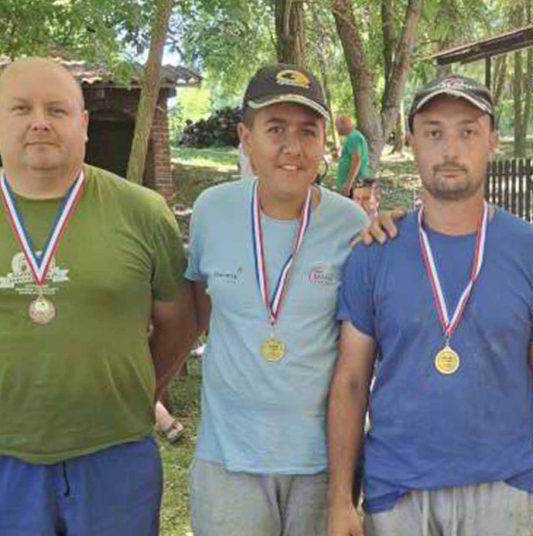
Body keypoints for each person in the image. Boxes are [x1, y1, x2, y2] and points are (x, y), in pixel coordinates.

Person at [0, 57, 195, 535]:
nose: (40, 121)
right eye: (21, 108)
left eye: (57, 109)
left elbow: (180, 322)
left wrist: (135, 391)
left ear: (83, 123)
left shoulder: (143, 212)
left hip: (115, 456)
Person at [327, 74, 533, 536]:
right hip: (397, 491)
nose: (450, 149)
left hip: (505, 486)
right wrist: (339, 500)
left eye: (467, 132)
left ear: (492, 141)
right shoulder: (374, 254)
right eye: (434, 132)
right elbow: (351, 382)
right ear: (412, 142)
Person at [185, 63, 369, 536]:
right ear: (246, 138)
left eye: (308, 131)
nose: (293, 147)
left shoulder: (352, 224)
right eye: (275, 129)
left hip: (320, 465)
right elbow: (201, 310)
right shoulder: (211, 211)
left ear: (325, 142)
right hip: (228, 460)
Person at [335, 114, 370, 197]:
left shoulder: (354, 137)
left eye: (337, 126)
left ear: (344, 123)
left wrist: (348, 184)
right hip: (352, 184)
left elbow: (356, 160)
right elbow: (350, 159)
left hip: (354, 185)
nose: (336, 129)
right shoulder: (352, 137)